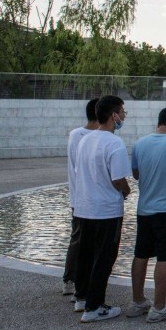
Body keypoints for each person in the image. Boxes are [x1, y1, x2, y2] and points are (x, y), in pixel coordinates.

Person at [125, 106, 166, 323]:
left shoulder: (140, 143)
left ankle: (137, 302)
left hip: (145, 208)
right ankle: (160, 307)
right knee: (165, 256)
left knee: (141, 253)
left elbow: (136, 174)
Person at [72, 95, 131, 322]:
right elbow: (118, 179)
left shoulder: (85, 139)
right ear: (113, 115)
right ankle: (95, 307)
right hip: (106, 210)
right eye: (122, 112)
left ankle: (82, 298)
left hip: (85, 207)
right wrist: (127, 192)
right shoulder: (114, 143)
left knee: (85, 255)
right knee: (104, 257)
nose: (124, 116)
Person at [63, 98, 98, 301]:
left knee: (91, 241)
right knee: (78, 238)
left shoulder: (89, 135)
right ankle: (70, 279)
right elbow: (80, 168)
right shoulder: (79, 135)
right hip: (82, 199)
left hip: (93, 201)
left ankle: (85, 280)